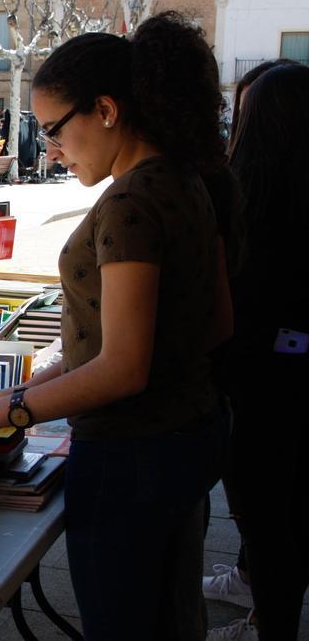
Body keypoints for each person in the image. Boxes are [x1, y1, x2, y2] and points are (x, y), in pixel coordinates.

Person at [0, 12, 237, 640]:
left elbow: (123, 365)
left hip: (132, 455)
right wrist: (16, 392)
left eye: (54, 130)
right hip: (190, 432)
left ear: (106, 110)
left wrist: (8, 410)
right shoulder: (189, 179)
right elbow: (215, 322)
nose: (50, 149)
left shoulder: (131, 202)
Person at [206, 63, 309, 641]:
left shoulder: (245, 205)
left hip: (258, 386)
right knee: (294, 515)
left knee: (267, 521)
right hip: (290, 374)